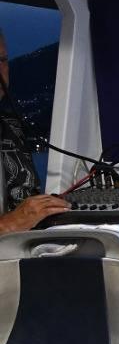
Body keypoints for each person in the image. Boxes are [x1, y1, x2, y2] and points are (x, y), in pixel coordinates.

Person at [0, 24, 68, 234]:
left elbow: (25, 203)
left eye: (2, 60)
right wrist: (8, 224)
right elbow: (15, 221)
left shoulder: (11, 127)